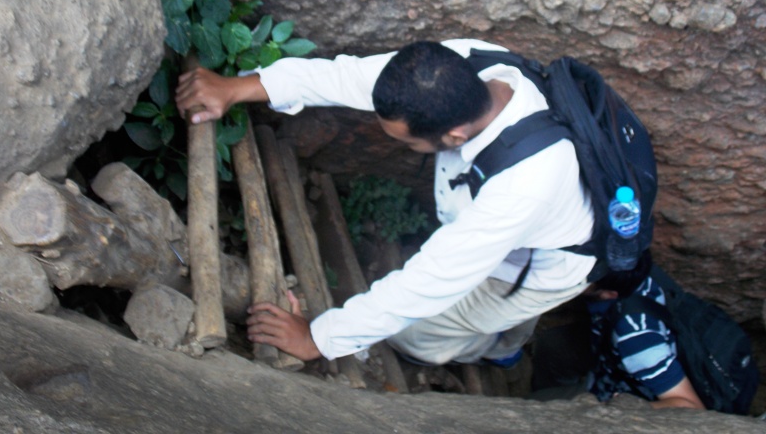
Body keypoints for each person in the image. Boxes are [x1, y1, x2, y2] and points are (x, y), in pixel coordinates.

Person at [175, 39, 596, 365]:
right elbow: (350, 77)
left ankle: (495, 351)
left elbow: (431, 281)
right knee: (496, 308)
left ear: (454, 138)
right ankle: (507, 332)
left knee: (417, 338)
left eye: (407, 141)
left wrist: (318, 339)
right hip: (531, 227)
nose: (397, 143)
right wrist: (237, 87)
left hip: (543, 268)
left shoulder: (524, 184)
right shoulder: (464, 62)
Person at [530, 251, 705, 410]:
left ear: (608, 294)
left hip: (617, 393)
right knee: (551, 345)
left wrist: (617, 411)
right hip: (607, 357)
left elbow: (691, 407)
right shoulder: (630, 264)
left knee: (534, 405)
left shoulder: (636, 339)